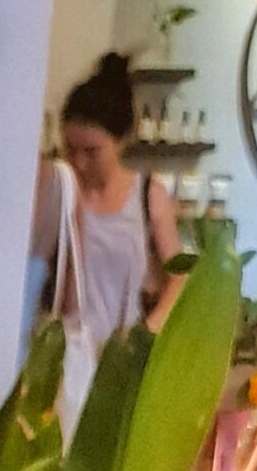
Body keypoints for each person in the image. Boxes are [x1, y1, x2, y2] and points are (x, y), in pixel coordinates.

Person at [31, 53, 184, 391]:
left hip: (122, 361)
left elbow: (179, 280)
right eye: (70, 149)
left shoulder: (147, 195)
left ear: (121, 141)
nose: (79, 162)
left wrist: (146, 333)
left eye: (92, 151)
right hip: (63, 360)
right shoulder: (58, 190)